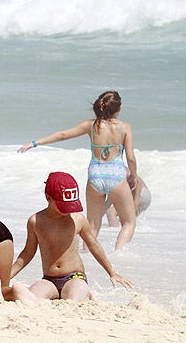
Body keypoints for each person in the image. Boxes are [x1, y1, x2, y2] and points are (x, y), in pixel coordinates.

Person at [18, 90, 137, 250]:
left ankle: (87, 258)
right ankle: (118, 255)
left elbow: (62, 135)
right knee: (129, 223)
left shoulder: (91, 125)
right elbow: (130, 157)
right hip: (116, 176)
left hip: (95, 176)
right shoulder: (125, 127)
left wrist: (34, 143)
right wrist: (133, 176)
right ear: (119, 108)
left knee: (92, 227)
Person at [11, 172, 133, 301]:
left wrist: (112, 273)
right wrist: (8, 275)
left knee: (72, 299)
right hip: (49, 280)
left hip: (75, 277)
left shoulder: (78, 220)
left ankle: (84, 291)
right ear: (48, 198)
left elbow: (94, 246)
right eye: (63, 206)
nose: (68, 210)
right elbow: (27, 252)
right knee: (31, 297)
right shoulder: (35, 221)